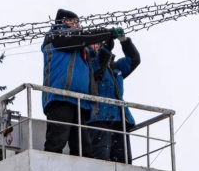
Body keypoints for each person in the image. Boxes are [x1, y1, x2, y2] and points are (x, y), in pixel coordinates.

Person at [42, 9, 122, 157]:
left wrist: (108, 43)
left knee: (83, 148)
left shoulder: (81, 48)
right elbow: (80, 38)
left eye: (78, 22)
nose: (78, 25)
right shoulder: (56, 36)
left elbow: (97, 62)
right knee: (56, 140)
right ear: (64, 21)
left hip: (80, 102)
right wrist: (105, 33)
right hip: (61, 97)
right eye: (74, 21)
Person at [86, 33, 141, 163]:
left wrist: (124, 41)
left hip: (119, 118)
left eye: (100, 43)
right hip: (98, 117)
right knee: (100, 159)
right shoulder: (87, 63)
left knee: (123, 161)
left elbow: (134, 60)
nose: (98, 46)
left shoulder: (114, 66)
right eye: (95, 42)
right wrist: (106, 49)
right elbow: (96, 69)